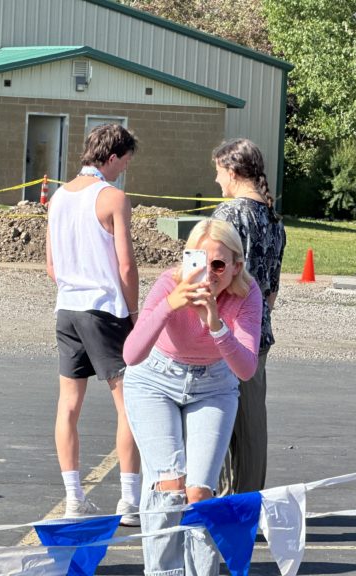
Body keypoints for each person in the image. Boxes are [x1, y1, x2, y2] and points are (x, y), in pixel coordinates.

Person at [123, 218, 262, 576]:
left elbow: (246, 368)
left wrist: (215, 323)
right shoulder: (170, 283)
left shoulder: (246, 294)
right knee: (169, 485)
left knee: (199, 494)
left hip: (214, 384)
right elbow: (131, 353)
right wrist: (169, 305)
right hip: (155, 380)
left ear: (236, 266)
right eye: (199, 261)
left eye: (219, 265)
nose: (209, 273)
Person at [46, 123, 141, 525]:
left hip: (67, 307)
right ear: (113, 157)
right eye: (125, 161)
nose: (125, 169)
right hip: (104, 309)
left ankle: (74, 498)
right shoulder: (113, 197)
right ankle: (130, 500)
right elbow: (126, 265)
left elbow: (52, 267)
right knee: (130, 404)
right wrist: (134, 313)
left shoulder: (58, 197)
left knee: (68, 405)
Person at [210, 138, 286, 494]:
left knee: (221, 424)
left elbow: (211, 277)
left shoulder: (228, 216)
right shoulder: (274, 220)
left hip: (227, 333)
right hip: (259, 333)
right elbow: (271, 291)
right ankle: (249, 499)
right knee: (252, 425)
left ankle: (227, 502)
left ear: (233, 171)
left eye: (218, 171)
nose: (216, 180)